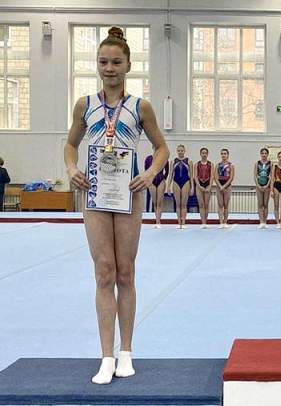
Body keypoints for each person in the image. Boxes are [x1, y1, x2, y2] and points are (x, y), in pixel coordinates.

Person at [63, 27, 169, 385]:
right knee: (104, 272)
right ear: (97, 65)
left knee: (125, 272)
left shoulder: (140, 107)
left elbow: (162, 148)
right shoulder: (85, 105)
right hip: (95, 193)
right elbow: (70, 145)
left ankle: (126, 352)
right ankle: (106, 355)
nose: (109, 68)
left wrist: (150, 174)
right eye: (103, 62)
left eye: (116, 62)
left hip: (128, 193)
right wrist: (72, 169)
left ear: (128, 66)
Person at [142, 154, 167, 226]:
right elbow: (146, 170)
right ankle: (157, 219)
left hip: (161, 180)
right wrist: (148, 179)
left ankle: (158, 221)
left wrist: (163, 178)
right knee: (155, 202)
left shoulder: (163, 157)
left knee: (159, 202)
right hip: (151, 181)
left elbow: (167, 170)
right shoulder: (148, 158)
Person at [170, 145, 191, 229]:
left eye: (182, 150)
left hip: (186, 182)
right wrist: (168, 186)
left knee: (184, 204)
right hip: (176, 182)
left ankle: (184, 222)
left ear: (184, 151)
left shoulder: (189, 161)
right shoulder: (173, 161)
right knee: (178, 204)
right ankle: (179, 222)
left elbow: (191, 175)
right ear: (177, 151)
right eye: (179, 150)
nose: (180, 152)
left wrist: (192, 187)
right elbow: (171, 175)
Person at [193, 147, 213, 228]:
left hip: (207, 185)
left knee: (206, 204)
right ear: (200, 154)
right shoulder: (197, 164)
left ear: (207, 154)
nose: (204, 154)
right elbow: (195, 176)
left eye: (205, 153)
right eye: (203, 153)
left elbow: (212, 176)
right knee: (201, 204)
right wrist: (199, 186)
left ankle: (206, 222)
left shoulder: (211, 164)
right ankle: (203, 222)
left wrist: (209, 186)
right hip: (199, 185)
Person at [216, 148, 234, 228]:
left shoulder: (231, 165)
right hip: (219, 186)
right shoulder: (218, 165)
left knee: (226, 205)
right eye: (222, 154)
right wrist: (220, 186)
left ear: (228, 155)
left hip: (227, 186)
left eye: (225, 154)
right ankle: (221, 222)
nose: (223, 155)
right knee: (220, 205)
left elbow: (231, 177)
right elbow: (215, 177)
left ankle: (225, 222)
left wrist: (224, 186)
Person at [254, 148, 272, 229]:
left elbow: (271, 176)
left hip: (267, 186)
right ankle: (261, 222)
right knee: (260, 204)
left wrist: (267, 185)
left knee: (265, 204)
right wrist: (258, 185)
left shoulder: (270, 164)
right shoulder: (257, 163)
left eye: (265, 153)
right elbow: (255, 175)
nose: (264, 155)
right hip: (259, 185)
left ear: (267, 154)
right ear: (260, 154)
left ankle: (265, 222)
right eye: (262, 153)